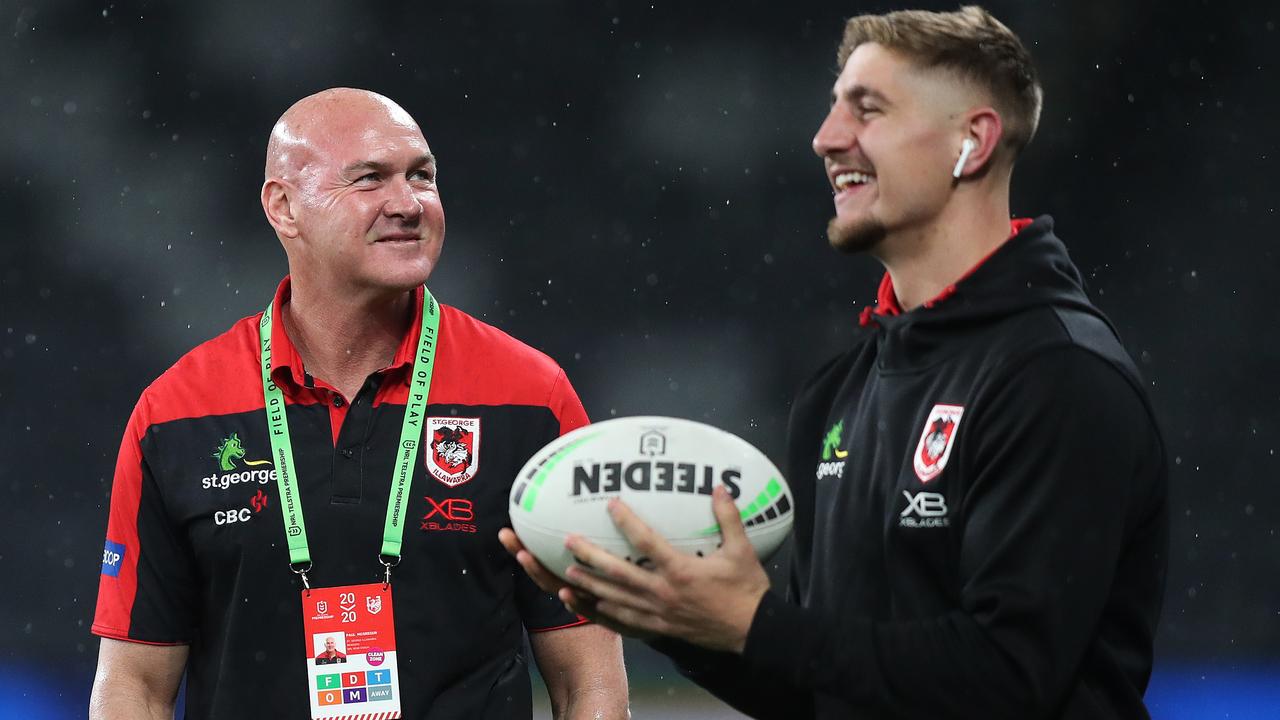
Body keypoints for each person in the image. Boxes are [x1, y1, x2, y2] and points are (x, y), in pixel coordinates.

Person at [501, 6, 1168, 719]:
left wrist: (754, 623)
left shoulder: (1058, 375)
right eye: (831, 108)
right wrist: (676, 620)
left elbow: (1008, 678)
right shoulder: (840, 392)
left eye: (867, 110)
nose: (826, 139)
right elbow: (821, 690)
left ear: (971, 142)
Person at [90, 88, 628, 719]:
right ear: (284, 207)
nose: (408, 204)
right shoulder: (176, 411)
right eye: (370, 178)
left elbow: (589, 678)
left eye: (422, 176)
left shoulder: (530, 397)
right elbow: (134, 685)